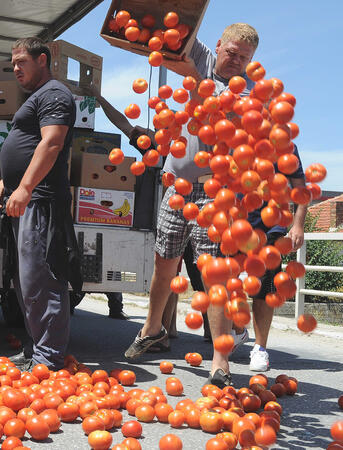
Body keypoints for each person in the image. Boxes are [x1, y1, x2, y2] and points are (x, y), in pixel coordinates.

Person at [124, 23, 259, 388]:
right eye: (232, 54)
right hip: (175, 185)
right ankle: (152, 328)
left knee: (217, 275)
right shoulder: (202, 56)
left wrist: (196, 79)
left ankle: (220, 361)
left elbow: (224, 121)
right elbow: (178, 27)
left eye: (244, 58)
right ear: (219, 45)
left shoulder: (249, 89)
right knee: (163, 262)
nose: (236, 62)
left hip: (217, 191)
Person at [0, 37, 81, 371]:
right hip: (27, 200)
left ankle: (49, 358)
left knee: (42, 279)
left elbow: (52, 143)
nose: (15, 69)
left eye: (20, 62)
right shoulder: (38, 97)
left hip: (41, 203)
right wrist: (9, 183)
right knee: (25, 282)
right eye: (13, 63)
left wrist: (25, 187)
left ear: (42, 60)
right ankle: (37, 350)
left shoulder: (54, 94)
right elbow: (29, 145)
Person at [235, 147, 307, 371]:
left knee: (265, 287)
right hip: (235, 223)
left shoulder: (286, 145)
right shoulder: (237, 133)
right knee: (225, 282)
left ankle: (260, 349)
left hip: (271, 226)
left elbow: (301, 190)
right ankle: (237, 331)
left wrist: (298, 224)